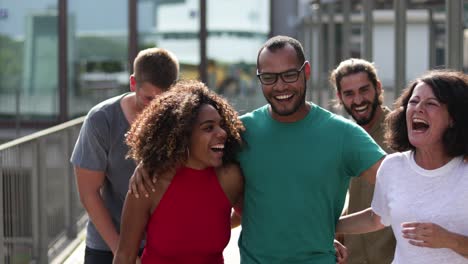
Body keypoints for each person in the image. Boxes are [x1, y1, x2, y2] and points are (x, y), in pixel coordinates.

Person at [128, 35, 385, 263]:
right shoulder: (241, 131)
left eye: (289, 75)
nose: (280, 86)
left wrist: (330, 227)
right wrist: (150, 162)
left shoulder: (343, 134)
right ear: (259, 77)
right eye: (269, 78)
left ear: (306, 72)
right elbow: (190, 148)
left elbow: (401, 187)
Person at [336, 70, 468, 263]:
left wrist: (448, 240)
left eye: (431, 103)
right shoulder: (393, 166)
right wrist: (326, 226)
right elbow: (376, 217)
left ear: (453, 118)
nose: (418, 109)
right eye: (413, 102)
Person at [113, 80, 245, 264]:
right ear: (183, 136)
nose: (222, 133)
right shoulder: (149, 184)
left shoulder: (230, 178)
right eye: (208, 127)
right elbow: (124, 257)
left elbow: (249, 215)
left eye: (221, 125)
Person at [70, 47, 179, 263]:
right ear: (132, 83)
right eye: (149, 98)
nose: (155, 106)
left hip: (164, 244)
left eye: (163, 99)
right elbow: (89, 194)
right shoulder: (101, 120)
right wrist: (123, 252)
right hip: (108, 243)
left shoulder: (181, 119)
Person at [330, 58, 396, 264]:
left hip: (394, 257)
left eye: (364, 90)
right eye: (349, 94)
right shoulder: (343, 138)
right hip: (353, 258)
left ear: (378, 88)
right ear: (340, 97)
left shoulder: (403, 134)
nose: (358, 100)